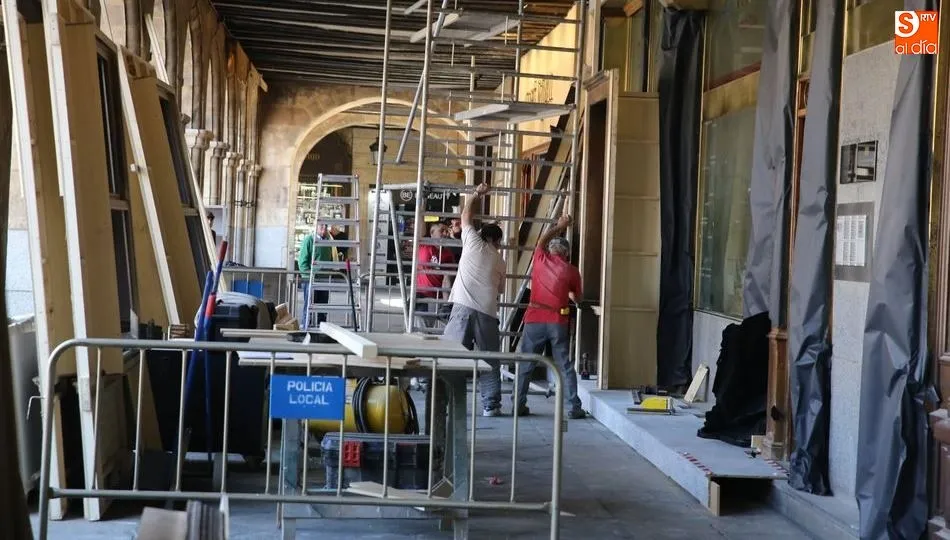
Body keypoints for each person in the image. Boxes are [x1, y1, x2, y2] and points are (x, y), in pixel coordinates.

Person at [442, 183, 507, 417]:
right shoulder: (500, 261)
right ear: (497, 241)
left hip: (462, 308)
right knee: (489, 359)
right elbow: (500, 289)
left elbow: (466, 215)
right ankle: (491, 404)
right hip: (488, 313)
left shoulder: (472, 242)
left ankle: (444, 401)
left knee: (450, 356)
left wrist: (477, 194)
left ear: (482, 235)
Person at [514, 214, 586, 420]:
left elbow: (542, 240)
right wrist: (567, 292)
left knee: (527, 363)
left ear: (550, 250)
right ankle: (573, 407)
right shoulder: (572, 271)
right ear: (567, 253)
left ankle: (518, 405)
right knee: (564, 365)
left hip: (534, 318)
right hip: (558, 321)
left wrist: (559, 226)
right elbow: (577, 298)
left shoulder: (539, 259)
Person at [415, 223, 455, 328]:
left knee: (433, 329)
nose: (445, 233)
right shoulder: (424, 244)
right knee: (420, 328)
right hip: (421, 294)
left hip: (437, 297)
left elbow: (447, 279)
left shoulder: (448, 254)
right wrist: (421, 207)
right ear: (432, 233)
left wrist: (446, 303)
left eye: (446, 231)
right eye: (441, 230)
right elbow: (420, 227)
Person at [297, 224, 334, 327]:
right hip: (310, 279)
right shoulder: (309, 240)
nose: (324, 229)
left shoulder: (328, 241)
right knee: (309, 305)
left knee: (323, 306)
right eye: (321, 226)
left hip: (324, 278)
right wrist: (308, 275)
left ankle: (322, 326)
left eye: (326, 226)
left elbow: (329, 258)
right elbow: (302, 262)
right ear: (316, 227)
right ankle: (306, 325)